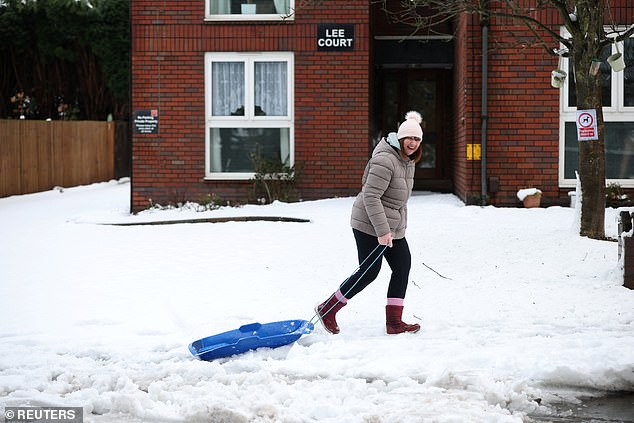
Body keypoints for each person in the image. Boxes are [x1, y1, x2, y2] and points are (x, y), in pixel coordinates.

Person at [315, 111, 424, 335]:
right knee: (370, 271)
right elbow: (370, 197)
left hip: (392, 225)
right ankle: (328, 308)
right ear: (400, 138)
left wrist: (396, 228)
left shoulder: (407, 161)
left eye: (417, 139)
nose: (413, 143)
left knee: (402, 266)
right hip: (368, 223)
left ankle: (394, 323)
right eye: (409, 138)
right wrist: (383, 231)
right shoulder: (386, 160)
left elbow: (397, 200)